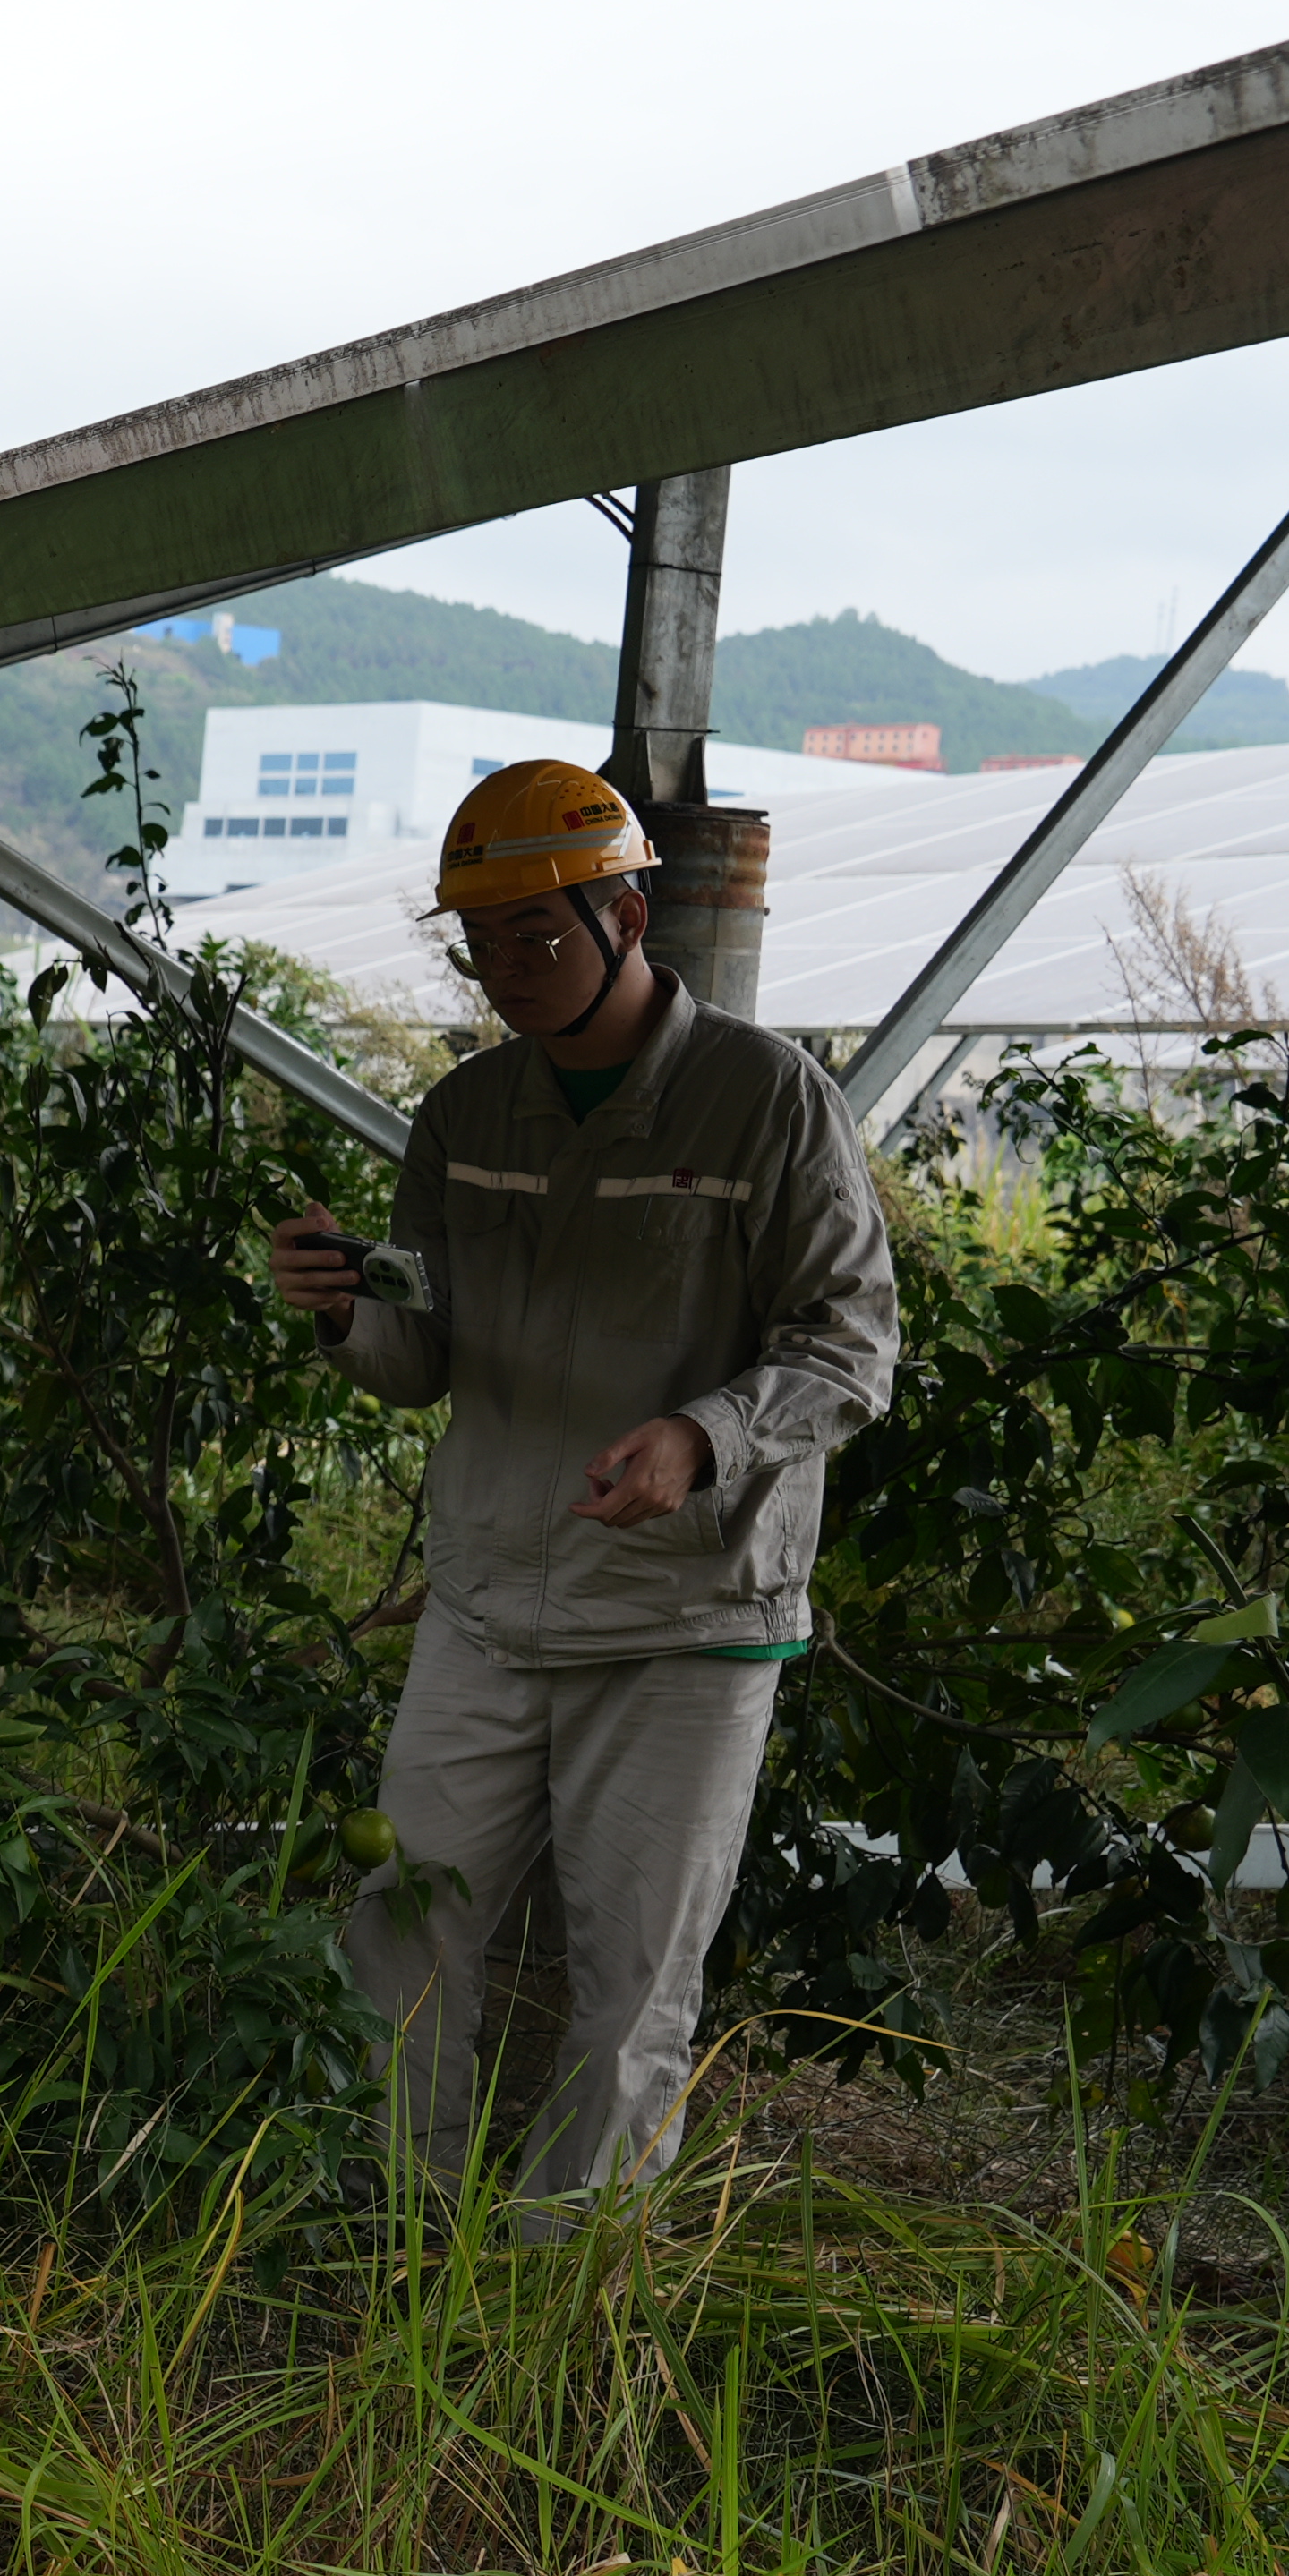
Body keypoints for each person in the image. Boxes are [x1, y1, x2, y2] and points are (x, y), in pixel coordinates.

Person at [271, 759, 897, 2205]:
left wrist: (703, 1436)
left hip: (683, 1621)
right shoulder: (467, 1118)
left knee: (629, 1983)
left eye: (536, 938)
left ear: (627, 915)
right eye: (480, 946)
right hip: (488, 1600)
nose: (508, 974)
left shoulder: (762, 1102)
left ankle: (571, 2290)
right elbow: (418, 1353)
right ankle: (398, 2237)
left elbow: (850, 1347)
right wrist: (332, 1310)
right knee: (399, 1932)